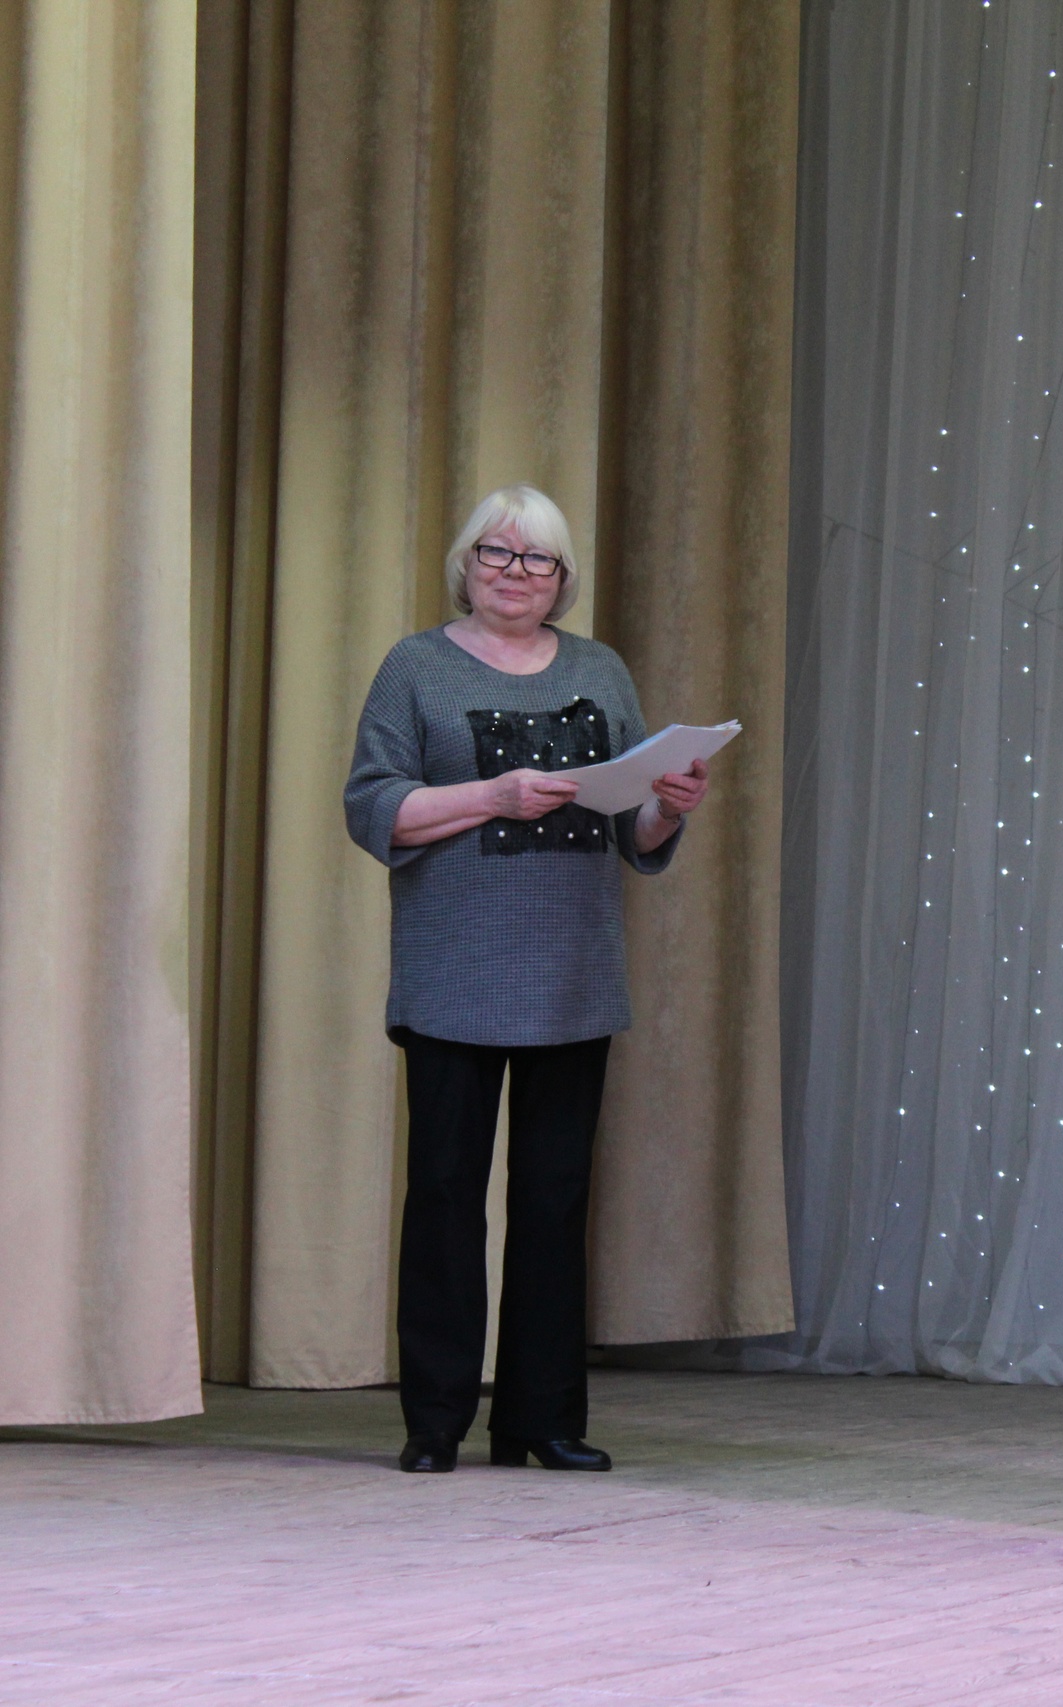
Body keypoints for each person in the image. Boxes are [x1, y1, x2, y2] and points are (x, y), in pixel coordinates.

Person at [344, 483, 711, 1476]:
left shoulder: (600, 669)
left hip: (572, 976)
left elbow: (634, 832)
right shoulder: (416, 666)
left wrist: (670, 805)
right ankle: (434, 1421)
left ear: (562, 578)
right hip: (453, 974)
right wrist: (494, 794)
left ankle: (540, 1420)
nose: (515, 573)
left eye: (537, 558)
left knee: (554, 1203)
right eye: (497, 554)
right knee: (445, 1198)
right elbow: (375, 807)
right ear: (465, 565)